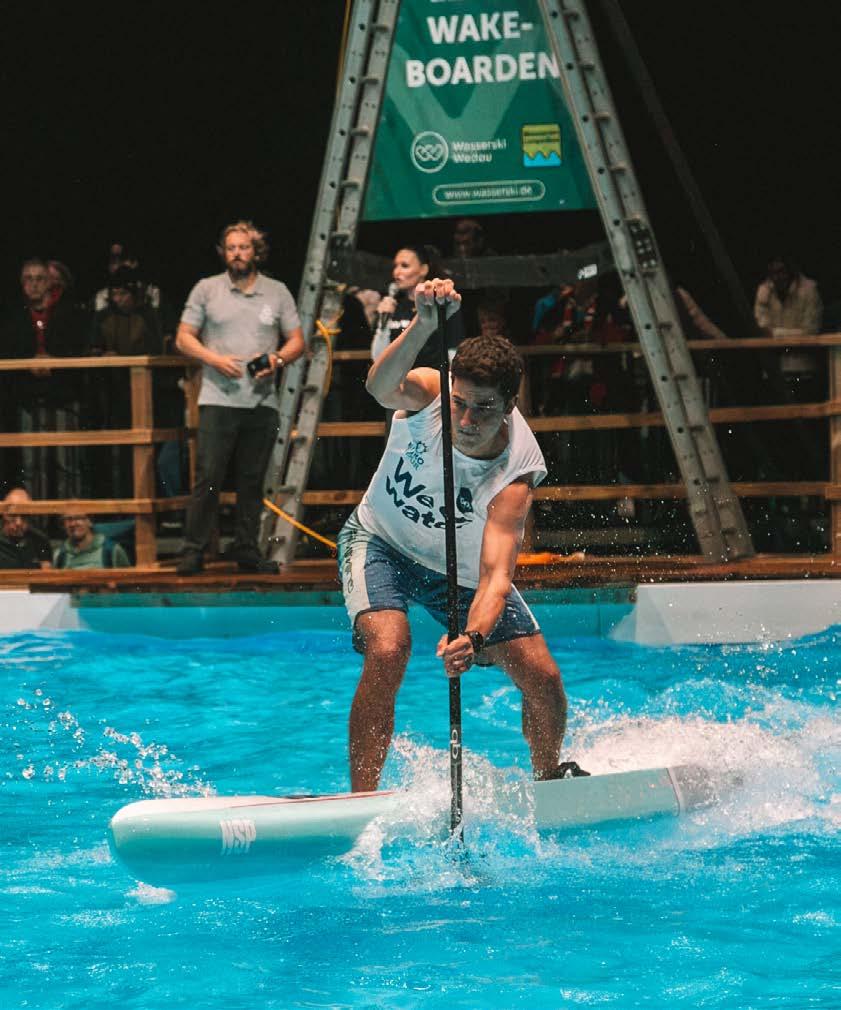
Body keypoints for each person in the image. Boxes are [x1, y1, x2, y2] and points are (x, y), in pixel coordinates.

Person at [338, 278, 585, 792]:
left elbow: (495, 577)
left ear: (510, 404)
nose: (467, 419)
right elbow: (378, 388)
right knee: (389, 648)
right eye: (460, 403)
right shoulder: (431, 391)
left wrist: (472, 639)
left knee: (544, 679)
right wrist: (423, 325)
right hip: (380, 541)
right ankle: (361, 797)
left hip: (461, 572)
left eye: (484, 408)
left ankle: (548, 781)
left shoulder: (516, 472)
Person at [175, 220, 305, 575]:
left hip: (262, 400)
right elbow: (183, 337)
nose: (237, 253)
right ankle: (193, 550)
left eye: (243, 247)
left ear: (255, 252)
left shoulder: (276, 291)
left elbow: (297, 340)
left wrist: (277, 360)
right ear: (223, 252)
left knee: (252, 479)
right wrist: (214, 359)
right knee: (208, 476)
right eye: (231, 248)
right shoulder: (207, 288)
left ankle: (247, 548)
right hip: (218, 398)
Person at [370, 245, 462, 365]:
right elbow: (378, 359)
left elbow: (454, 349)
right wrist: (383, 325)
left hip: (431, 375)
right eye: (395, 266)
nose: (396, 272)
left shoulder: (440, 304)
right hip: (399, 375)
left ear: (423, 270)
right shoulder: (392, 307)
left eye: (404, 266)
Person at [53, 513, 129, 569]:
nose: (73, 524)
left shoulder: (111, 550)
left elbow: (127, 583)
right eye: (68, 519)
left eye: (78, 518)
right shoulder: (60, 554)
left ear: (90, 522)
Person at [0, 488, 52, 569]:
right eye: (13, 515)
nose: (19, 523)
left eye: (24, 516)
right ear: (4, 514)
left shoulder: (40, 541)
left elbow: (46, 574)